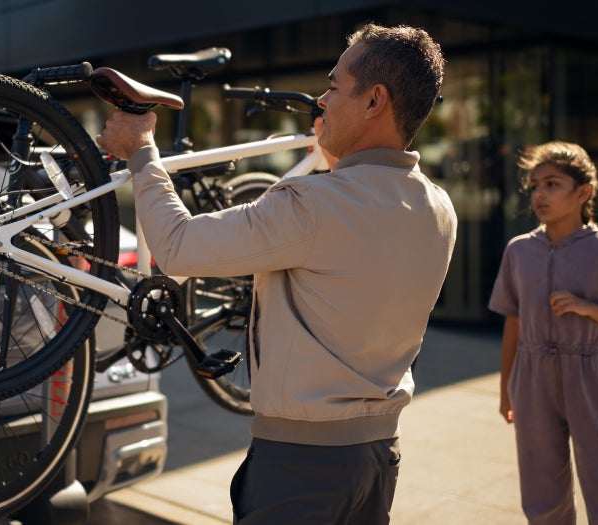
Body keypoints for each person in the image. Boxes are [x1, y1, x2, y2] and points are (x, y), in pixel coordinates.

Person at [98, 23, 456, 524]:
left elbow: (177, 246)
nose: (322, 100)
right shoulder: (437, 207)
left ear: (374, 100)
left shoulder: (314, 205)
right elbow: (353, 241)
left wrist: (141, 152)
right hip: (377, 457)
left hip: (300, 466)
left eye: (334, 86)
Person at [488, 141, 598, 524]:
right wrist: (507, 386)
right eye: (535, 185)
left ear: (583, 192)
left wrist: (592, 309)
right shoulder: (519, 250)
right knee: (542, 493)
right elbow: (513, 320)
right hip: (531, 376)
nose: (540, 194)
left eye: (553, 184)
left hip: (589, 375)